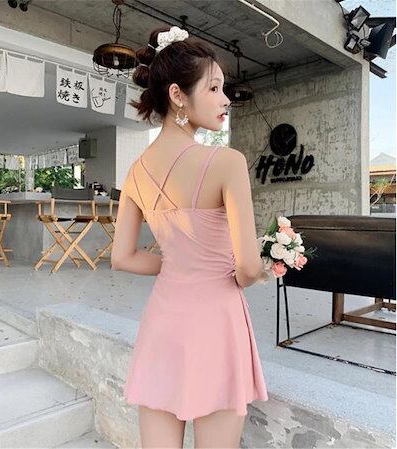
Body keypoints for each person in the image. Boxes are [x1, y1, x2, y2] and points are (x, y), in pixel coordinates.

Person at [111, 25, 270, 449]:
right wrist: (265, 267)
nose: (226, 99)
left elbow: (122, 257)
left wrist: (179, 264)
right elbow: (247, 269)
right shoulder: (227, 162)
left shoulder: (135, 172)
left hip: (162, 325)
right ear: (178, 95)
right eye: (214, 88)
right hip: (216, 325)